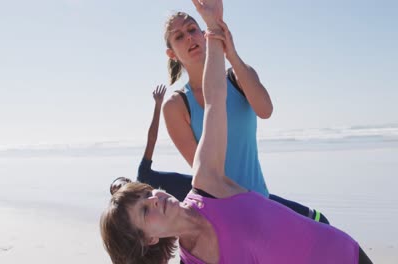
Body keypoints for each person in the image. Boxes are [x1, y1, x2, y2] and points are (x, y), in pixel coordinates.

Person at [100, 1, 373, 263]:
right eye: (145, 210)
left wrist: (219, 35)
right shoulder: (177, 105)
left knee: (317, 221)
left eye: (192, 29)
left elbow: (234, 104)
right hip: (235, 200)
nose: (155, 199)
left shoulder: (233, 85)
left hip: (305, 230)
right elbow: (202, 154)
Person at [139, 7, 329, 224]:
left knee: (321, 223)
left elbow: (265, 110)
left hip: (260, 200)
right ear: (171, 53)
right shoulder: (176, 105)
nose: (189, 37)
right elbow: (206, 174)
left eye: (192, 29)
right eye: (179, 36)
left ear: (204, 34)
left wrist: (231, 55)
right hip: (223, 212)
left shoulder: (238, 78)